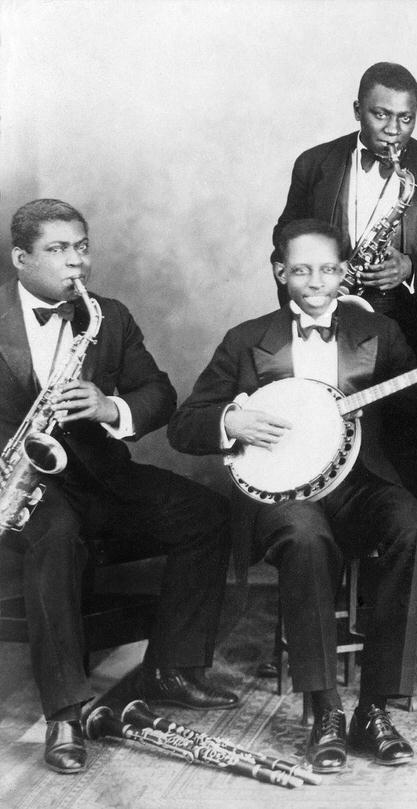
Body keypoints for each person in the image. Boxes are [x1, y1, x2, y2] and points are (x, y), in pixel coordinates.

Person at [169, 219, 417, 773]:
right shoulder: (246, 339)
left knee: (412, 527)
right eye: (302, 269)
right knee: (305, 537)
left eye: (328, 269)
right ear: (280, 272)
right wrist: (231, 421)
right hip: (286, 497)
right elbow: (184, 425)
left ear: (344, 273)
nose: (316, 281)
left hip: (361, 484)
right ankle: (325, 711)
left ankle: (374, 709)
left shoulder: (380, 332)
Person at [2, 199, 236, 773]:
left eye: (82, 247)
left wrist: (110, 406)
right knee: (56, 534)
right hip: (21, 485)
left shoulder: (107, 316)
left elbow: (159, 394)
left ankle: (171, 669)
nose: (76, 262)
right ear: (20, 258)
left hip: (101, 477)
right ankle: (65, 715)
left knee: (207, 514)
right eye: (58, 250)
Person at [272, 61, 417, 362]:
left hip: (413, 338)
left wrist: (410, 268)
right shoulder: (313, 164)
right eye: (380, 115)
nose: (393, 131)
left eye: (406, 118)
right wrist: (306, 307)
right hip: (327, 327)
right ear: (358, 110)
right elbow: (283, 243)